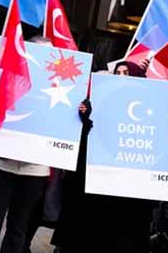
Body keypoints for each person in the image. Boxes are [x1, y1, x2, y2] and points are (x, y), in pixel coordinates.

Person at [52, 60, 152, 253]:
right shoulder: (98, 99)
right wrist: (84, 116)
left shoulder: (146, 106)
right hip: (96, 182)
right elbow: (85, 136)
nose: (121, 76)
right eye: (118, 73)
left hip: (127, 189)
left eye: (126, 73)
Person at [0, 36, 53, 253]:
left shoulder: (59, 84)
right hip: (1, 163)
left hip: (35, 169)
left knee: (18, 225)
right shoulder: (6, 74)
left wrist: (82, 111)